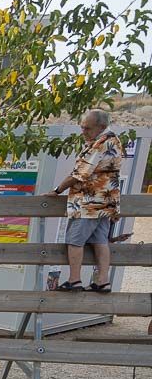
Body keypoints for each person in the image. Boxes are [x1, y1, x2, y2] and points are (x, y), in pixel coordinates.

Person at [46, 108, 121, 293]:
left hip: (89, 203)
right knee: (100, 241)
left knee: (74, 241)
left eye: (87, 128)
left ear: (101, 127)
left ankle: (74, 280)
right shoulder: (114, 140)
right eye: (82, 127)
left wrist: (57, 190)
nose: (83, 132)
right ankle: (103, 281)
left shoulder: (101, 143)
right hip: (105, 203)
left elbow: (80, 174)